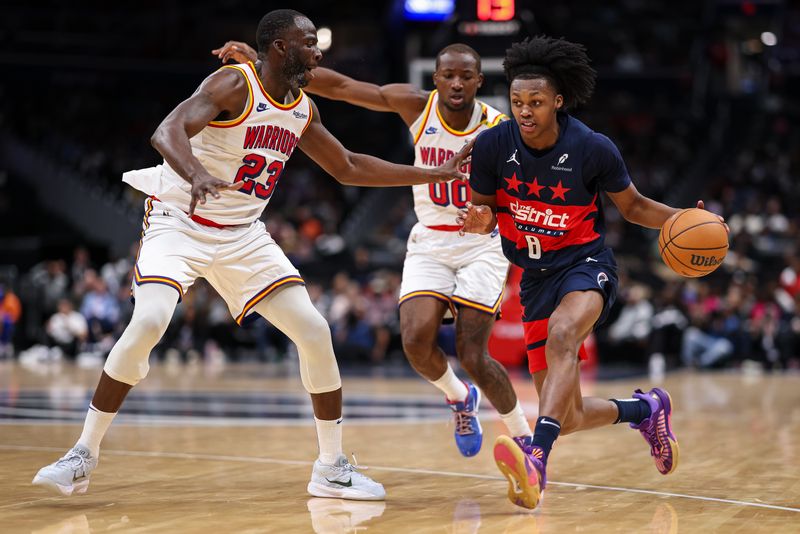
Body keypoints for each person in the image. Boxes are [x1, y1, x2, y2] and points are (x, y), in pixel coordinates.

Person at [32, 9, 472, 501]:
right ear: (281, 48)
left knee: (314, 330)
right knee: (149, 321)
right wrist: (196, 172)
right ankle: (83, 455)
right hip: (181, 221)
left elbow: (347, 166)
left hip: (242, 234)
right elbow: (166, 132)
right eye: (308, 42)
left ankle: (331, 467)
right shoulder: (233, 84)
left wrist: (431, 175)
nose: (318, 51)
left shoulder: (302, 108)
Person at [212, 40, 532, 457]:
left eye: (465, 76)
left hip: (480, 243)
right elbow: (344, 87)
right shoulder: (418, 105)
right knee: (416, 343)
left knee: (473, 352)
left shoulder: (498, 128)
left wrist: (491, 217)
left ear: (479, 81)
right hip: (430, 239)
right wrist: (260, 61)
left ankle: (526, 440)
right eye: (448, 75)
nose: (456, 83)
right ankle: (459, 397)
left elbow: (517, 192)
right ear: (435, 79)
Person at [456, 36, 725, 509]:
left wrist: (686, 218)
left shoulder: (592, 148)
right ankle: (646, 410)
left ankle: (536, 456)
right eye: (517, 101)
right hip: (535, 278)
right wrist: (478, 220)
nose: (524, 110)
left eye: (535, 102)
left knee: (564, 336)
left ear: (558, 101)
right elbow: (482, 211)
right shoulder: (492, 146)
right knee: (571, 414)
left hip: (585, 266)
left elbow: (635, 206)